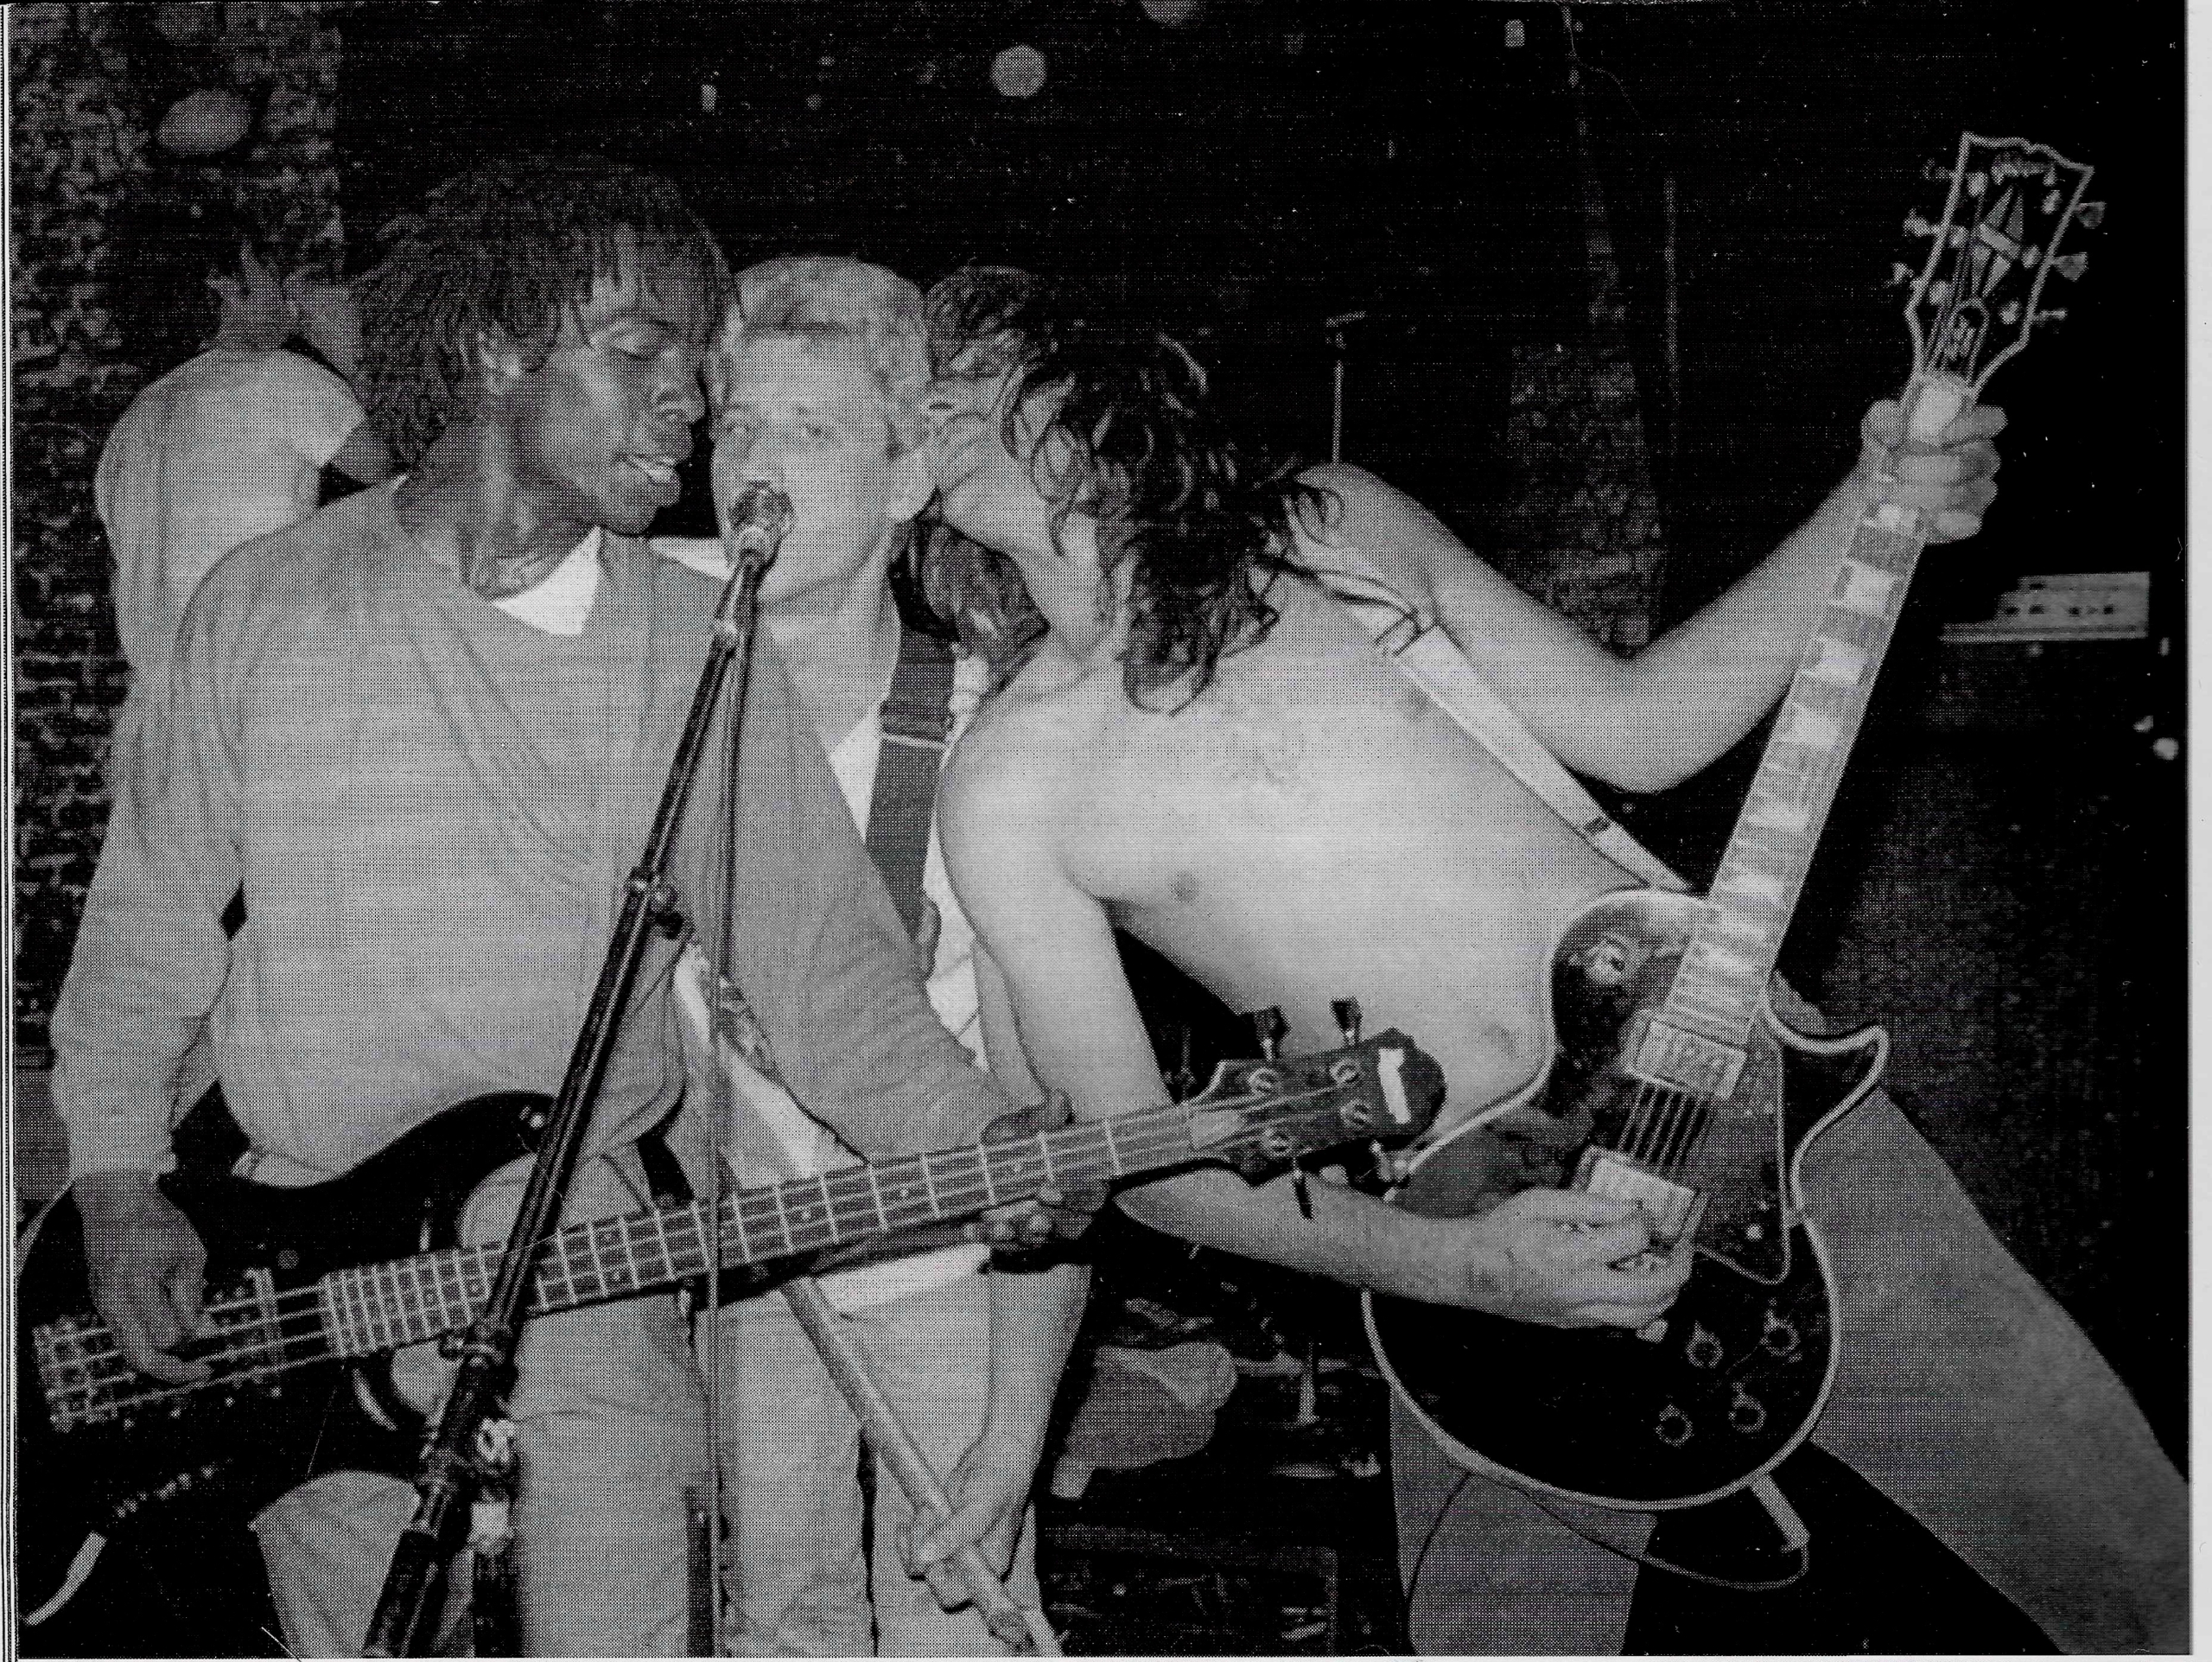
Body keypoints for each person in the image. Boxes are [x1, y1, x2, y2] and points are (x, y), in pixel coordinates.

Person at [913, 268, 2190, 1654]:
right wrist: (1465, 1270)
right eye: (917, 395)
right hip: (1466, 1225)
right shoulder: (1005, 781)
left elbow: (1648, 728)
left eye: (973, 368)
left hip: (1745, 1098)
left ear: (1088, 376)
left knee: (2144, 1566)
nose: (939, 405)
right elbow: (1148, 1163)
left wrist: (1872, 497)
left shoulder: (1329, 531)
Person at [48, 162, 1038, 1658]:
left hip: (579, 1262)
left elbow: (837, 993)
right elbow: (143, 939)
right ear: (496, 342)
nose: (690, 408)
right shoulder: (265, 603)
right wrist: (120, 1187)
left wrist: (988, 1145)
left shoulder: (695, 649)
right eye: (642, 353)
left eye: (695, 370)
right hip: (301, 1280)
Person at [653, 253, 1088, 1654]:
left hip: (945, 1274)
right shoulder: (650, 667)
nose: (754, 466)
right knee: (776, 1623)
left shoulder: (982, 740)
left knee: (958, 1630)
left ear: (909, 477)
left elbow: (1057, 1126)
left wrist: (1014, 1434)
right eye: (736, 424)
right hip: (739, 1263)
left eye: (811, 430)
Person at [96, 197, 391, 720]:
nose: (282, 288)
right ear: (226, 285)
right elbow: (407, 479)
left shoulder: (134, 424)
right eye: (266, 272)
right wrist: (345, 346)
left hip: (158, 716)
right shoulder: (283, 379)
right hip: (260, 697)